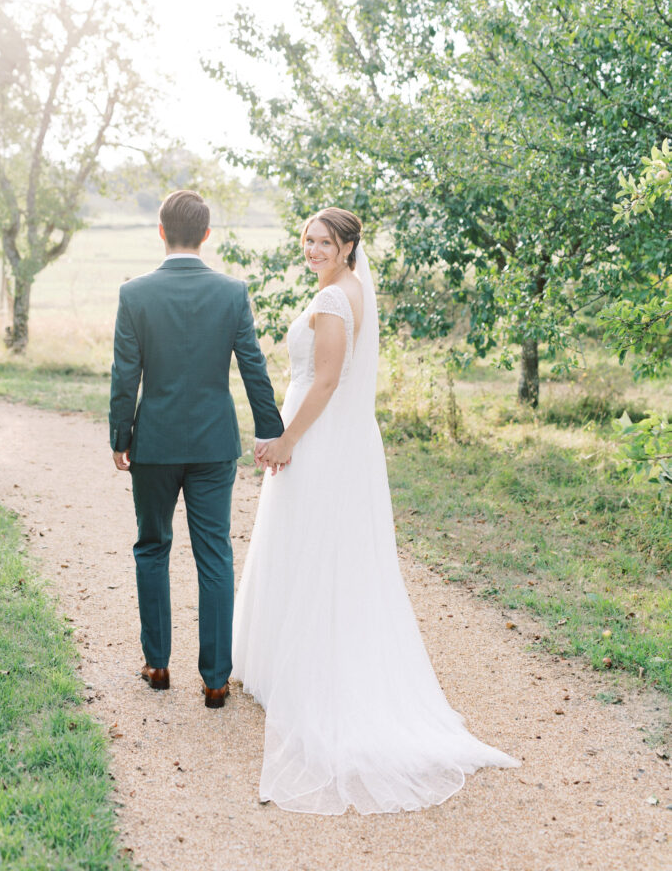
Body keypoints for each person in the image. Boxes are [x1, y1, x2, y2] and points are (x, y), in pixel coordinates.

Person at [233, 206, 520, 814]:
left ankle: (315, 675)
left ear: (346, 248)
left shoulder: (337, 301)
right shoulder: (349, 288)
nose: (312, 249)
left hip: (320, 438)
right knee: (315, 546)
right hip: (339, 439)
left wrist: (287, 439)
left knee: (314, 548)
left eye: (324, 242)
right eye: (308, 239)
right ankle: (287, 665)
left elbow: (328, 381)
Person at [109, 189, 283, 708]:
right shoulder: (232, 292)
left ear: (161, 232)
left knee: (152, 547)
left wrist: (121, 436)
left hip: (155, 445)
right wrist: (270, 431)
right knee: (215, 555)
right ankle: (215, 678)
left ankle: (157, 663)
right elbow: (253, 366)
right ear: (207, 235)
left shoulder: (134, 294)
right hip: (213, 444)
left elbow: (126, 375)